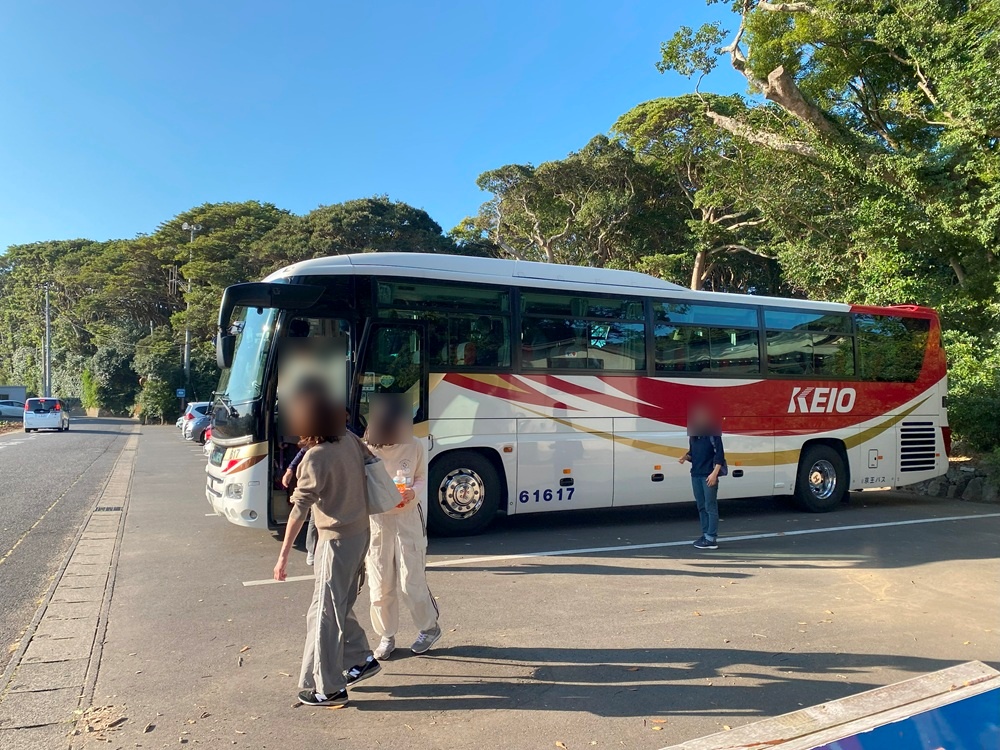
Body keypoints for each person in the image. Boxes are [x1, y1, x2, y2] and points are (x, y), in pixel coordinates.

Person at [272, 379, 380, 708]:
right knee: (336, 608)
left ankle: (329, 687)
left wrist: (282, 558)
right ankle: (361, 658)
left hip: (334, 543)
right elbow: (370, 458)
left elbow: (297, 513)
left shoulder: (316, 457)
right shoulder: (348, 439)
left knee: (323, 615)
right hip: (360, 535)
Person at [364, 395, 441, 659]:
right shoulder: (367, 448)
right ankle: (386, 636)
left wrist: (413, 493)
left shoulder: (415, 445)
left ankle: (429, 627)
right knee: (380, 581)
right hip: (377, 519)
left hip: (408, 517)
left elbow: (420, 477)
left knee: (411, 580)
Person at [678, 404, 725, 550]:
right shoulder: (694, 436)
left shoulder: (713, 434)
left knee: (710, 506)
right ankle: (705, 535)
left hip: (708, 475)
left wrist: (714, 474)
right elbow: (694, 453)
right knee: (701, 506)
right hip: (696, 474)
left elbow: (720, 456)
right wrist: (685, 457)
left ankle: (711, 538)